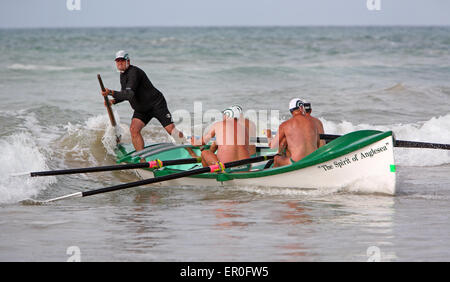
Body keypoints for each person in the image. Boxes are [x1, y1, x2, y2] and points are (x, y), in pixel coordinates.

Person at [101, 50, 187, 154]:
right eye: (118, 61)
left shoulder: (134, 73)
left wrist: (110, 92)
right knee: (134, 130)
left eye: (122, 60)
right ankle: (142, 159)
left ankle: (190, 150)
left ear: (128, 61)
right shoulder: (122, 75)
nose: (120, 63)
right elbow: (125, 94)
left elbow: (129, 94)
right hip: (142, 109)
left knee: (171, 130)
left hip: (156, 104)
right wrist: (113, 101)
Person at [269, 98, 318, 167]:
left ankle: (275, 176)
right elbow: (318, 144)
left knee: (277, 158)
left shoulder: (285, 125)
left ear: (291, 111)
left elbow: (273, 146)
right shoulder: (314, 123)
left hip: (297, 162)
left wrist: (269, 135)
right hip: (313, 159)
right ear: (301, 108)